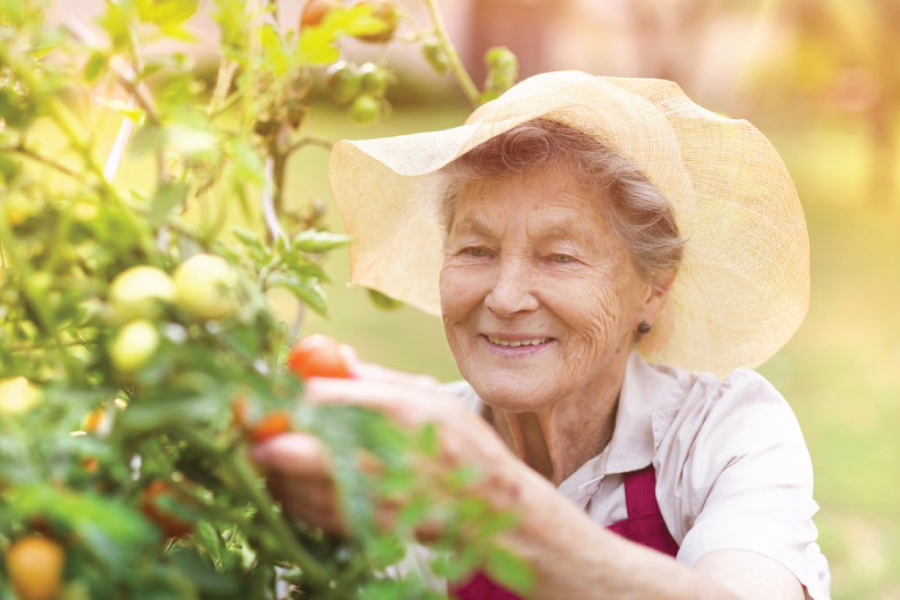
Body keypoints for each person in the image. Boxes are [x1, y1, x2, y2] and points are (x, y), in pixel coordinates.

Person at [252, 71, 831, 599]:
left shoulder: (722, 433)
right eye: (475, 250)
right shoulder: (404, 455)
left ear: (652, 288)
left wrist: (488, 506)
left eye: (558, 257)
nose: (504, 297)